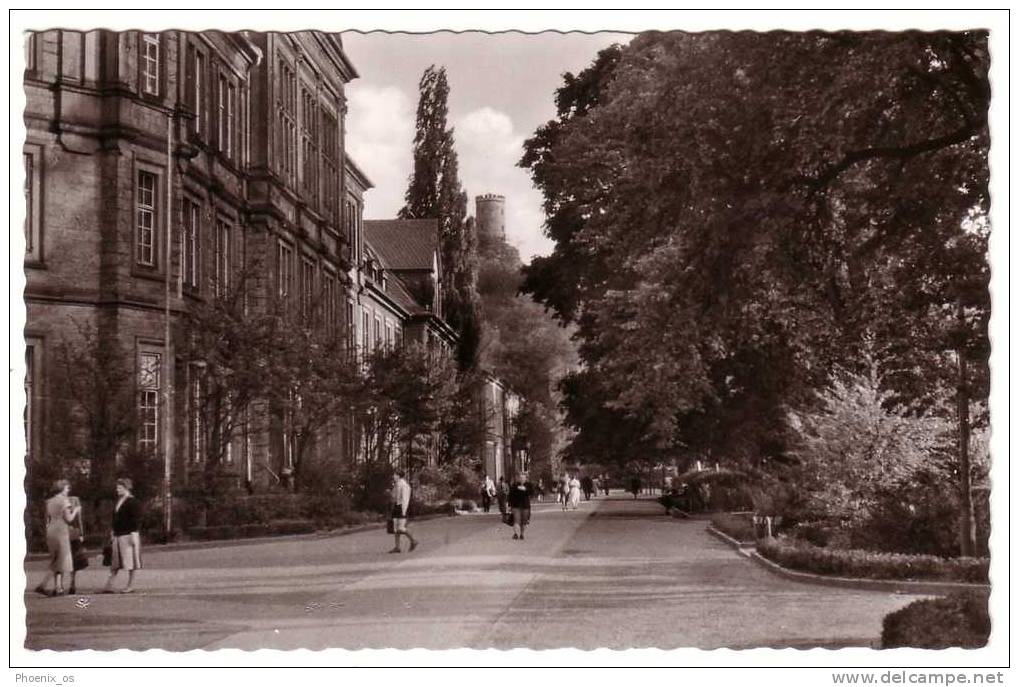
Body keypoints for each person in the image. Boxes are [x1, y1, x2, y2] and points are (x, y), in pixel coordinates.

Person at [35, 480, 80, 596]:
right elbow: (69, 518)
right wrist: (75, 510)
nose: (68, 491)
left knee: (56, 558)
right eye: (67, 488)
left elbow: (47, 519)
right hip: (61, 531)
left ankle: (58, 587)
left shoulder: (49, 501)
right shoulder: (64, 501)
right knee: (60, 560)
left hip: (51, 530)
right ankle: (43, 585)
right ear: (62, 489)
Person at [103, 478, 142, 594]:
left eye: (120, 488)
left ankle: (130, 585)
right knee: (115, 562)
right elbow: (115, 518)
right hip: (118, 534)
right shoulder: (119, 501)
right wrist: (112, 531)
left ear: (126, 488)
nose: (117, 490)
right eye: (117, 487)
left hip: (128, 534)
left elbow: (136, 520)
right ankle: (108, 585)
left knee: (130, 562)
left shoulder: (133, 502)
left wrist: (133, 534)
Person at [388, 469, 418, 554]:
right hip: (397, 506)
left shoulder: (404, 485)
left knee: (401, 528)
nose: (393, 476)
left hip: (401, 507)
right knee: (396, 528)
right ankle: (397, 547)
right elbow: (394, 496)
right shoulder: (397, 484)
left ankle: (413, 541)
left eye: (394, 475)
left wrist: (404, 510)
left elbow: (405, 498)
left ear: (398, 475)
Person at [508, 474, 532, 541]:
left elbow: (531, 492)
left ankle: (522, 534)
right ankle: (515, 534)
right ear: (518, 478)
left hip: (525, 506)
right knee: (516, 520)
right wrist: (509, 505)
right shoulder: (515, 486)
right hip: (516, 506)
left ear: (525, 479)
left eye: (523, 478)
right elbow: (510, 495)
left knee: (524, 522)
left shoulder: (528, 485)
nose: (522, 479)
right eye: (520, 478)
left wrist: (525, 489)